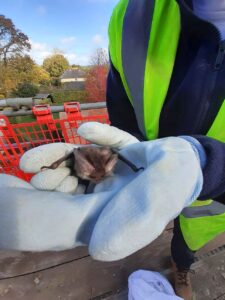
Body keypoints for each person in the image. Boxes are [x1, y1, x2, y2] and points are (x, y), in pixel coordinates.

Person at [106, 0, 225, 299]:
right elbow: (122, 111)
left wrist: (210, 168)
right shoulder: (128, 15)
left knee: (186, 243)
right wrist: (119, 163)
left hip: (212, 203)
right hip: (149, 178)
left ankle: (181, 269)